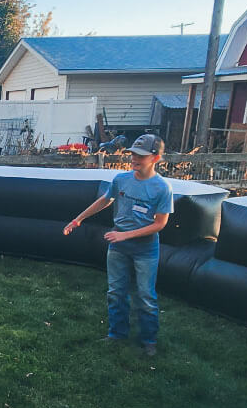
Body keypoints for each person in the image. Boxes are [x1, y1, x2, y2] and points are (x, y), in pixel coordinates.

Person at [63, 134, 173, 356]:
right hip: (118, 246)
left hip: (145, 249)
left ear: (156, 158)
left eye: (141, 155)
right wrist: (78, 219)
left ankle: (149, 340)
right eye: (133, 153)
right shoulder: (121, 180)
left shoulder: (162, 188)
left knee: (145, 295)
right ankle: (117, 334)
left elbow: (160, 224)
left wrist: (126, 235)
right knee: (116, 292)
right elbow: (104, 200)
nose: (134, 158)